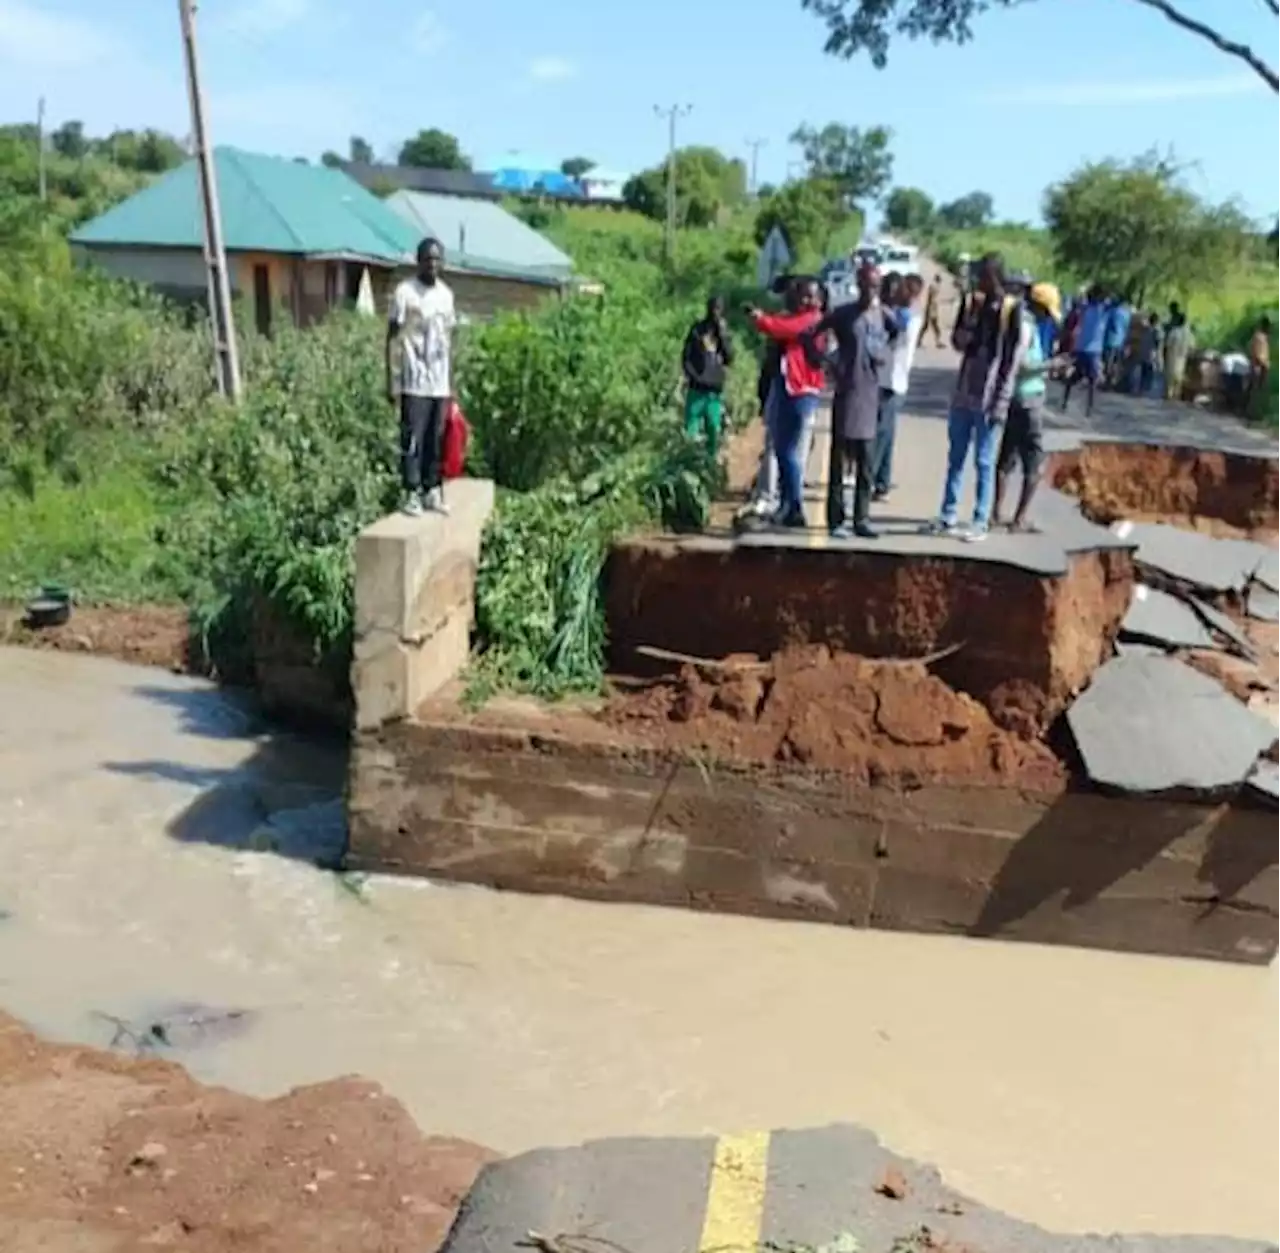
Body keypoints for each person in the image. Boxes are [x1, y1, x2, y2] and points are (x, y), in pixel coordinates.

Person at [924, 251, 1024, 543]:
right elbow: (958, 342)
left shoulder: (1009, 310)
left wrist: (1001, 401)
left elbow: (1011, 359)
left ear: (992, 276)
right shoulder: (974, 304)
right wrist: (968, 317)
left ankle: (980, 519)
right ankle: (948, 514)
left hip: (990, 397)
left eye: (981, 275)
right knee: (955, 456)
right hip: (965, 390)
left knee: (983, 460)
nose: (977, 280)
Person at [803, 260, 900, 539]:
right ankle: (836, 520)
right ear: (858, 285)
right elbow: (812, 334)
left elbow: (896, 335)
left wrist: (885, 356)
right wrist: (826, 362)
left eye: (875, 286)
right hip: (847, 394)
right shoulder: (844, 314)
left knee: (866, 464)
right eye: (866, 285)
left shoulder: (883, 316)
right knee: (838, 461)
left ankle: (862, 518)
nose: (871, 290)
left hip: (871, 395)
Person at [747, 278, 826, 529]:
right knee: (783, 450)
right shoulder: (806, 318)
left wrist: (760, 318)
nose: (804, 300)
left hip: (799, 391)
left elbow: (780, 328)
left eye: (809, 296)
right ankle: (788, 505)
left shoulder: (811, 320)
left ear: (818, 299)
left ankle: (794, 507)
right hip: (792, 388)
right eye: (801, 296)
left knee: (788, 451)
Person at [386, 237, 457, 517]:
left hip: (438, 382)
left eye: (437, 259)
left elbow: (450, 340)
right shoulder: (405, 293)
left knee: (435, 438)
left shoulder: (446, 295)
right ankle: (411, 492)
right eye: (428, 259)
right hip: (413, 380)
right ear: (418, 261)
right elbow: (391, 338)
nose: (433, 264)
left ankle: (432, 490)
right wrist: (391, 379)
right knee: (412, 438)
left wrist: (451, 384)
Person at [993, 282, 1060, 534]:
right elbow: (1024, 366)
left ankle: (995, 513)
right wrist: (1052, 365)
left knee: (1006, 458)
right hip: (1028, 399)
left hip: (1013, 398)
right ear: (1040, 307)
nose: (1047, 318)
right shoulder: (1027, 327)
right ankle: (1019, 519)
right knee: (1034, 464)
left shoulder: (1014, 320)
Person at [875, 271, 924, 501]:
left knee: (880, 434)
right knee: (888, 434)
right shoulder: (904, 314)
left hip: (892, 382)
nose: (898, 292)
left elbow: (894, 328)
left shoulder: (908, 317)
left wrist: (881, 309)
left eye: (903, 289)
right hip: (893, 380)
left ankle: (869, 478)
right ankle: (882, 482)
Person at [681, 295, 734, 456]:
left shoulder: (723, 333)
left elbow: (729, 358)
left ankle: (709, 466)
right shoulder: (697, 330)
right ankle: (689, 462)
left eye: (718, 309)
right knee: (691, 429)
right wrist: (692, 376)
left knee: (713, 429)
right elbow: (686, 356)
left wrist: (722, 335)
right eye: (713, 308)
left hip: (714, 391)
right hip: (696, 388)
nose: (715, 312)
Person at [1061, 285, 1106, 418]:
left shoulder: (1084, 309)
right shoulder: (1101, 310)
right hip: (1093, 350)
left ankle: (1065, 401)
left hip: (1081, 347)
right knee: (1092, 380)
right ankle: (1089, 409)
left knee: (1076, 376)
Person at [1163, 303, 1194, 402]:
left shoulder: (1174, 332)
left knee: (1170, 377)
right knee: (1179, 376)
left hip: (1173, 356)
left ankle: (1169, 395)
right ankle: (1176, 395)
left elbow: (1168, 344)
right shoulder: (1189, 334)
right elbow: (1192, 346)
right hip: (1183, 357)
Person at [1102, 293, 1132, 388]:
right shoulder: (1127, 314)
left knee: (1109, 362)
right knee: (1117, 362)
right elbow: (1127, 327)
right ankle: (1114, 381)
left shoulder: (1113, 311)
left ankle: (1108, 381)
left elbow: (1107, 324)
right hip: (1121, 340)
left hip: (1110, 340)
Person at [1248, 315, 1271, 419]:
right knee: (1256, 391)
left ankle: (1255, 412)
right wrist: (1265, 364)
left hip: (1258, 366)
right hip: (1258, 367)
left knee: (1257, 391)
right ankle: (1253, 414)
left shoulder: (1260, 337)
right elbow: (1258, 354)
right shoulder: (1260, 338)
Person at [1136, 311, 1162, 396]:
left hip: (1143, 352)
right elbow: (1157, 344)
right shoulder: (1156, 331)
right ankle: (1145, 389)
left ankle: (1141, 389)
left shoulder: (1146, 329)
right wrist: (1158, 355)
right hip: (1151, 354)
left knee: (1144, 371)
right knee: (1149, 373)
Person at [920, 273, 945, 348]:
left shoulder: (935, 286)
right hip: (931, 308)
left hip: (933, 308)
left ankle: (938, 342)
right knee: (929, 326)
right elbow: (930, 298)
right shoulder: (934, 286)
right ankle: (937, 342)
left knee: (931, 326)